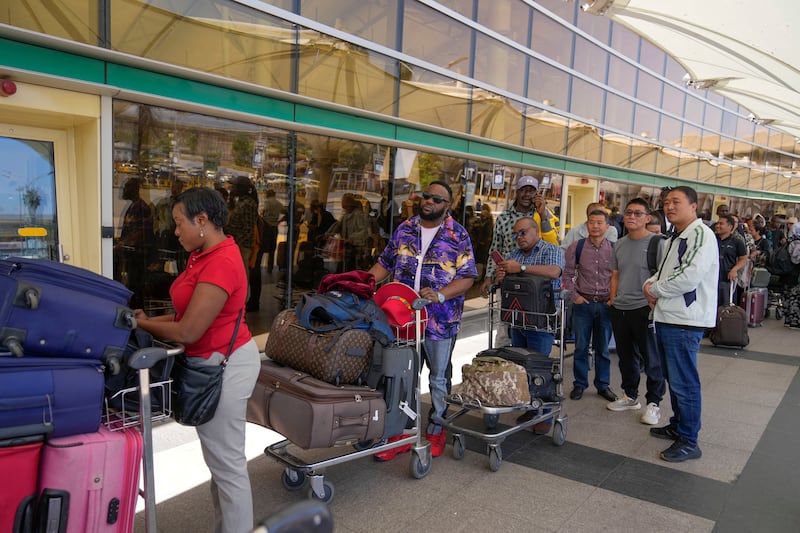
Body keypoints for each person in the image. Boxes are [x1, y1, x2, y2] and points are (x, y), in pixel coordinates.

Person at [133, 186, 260, 533]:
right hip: (214, 361)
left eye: (178, 223)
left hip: (226, 364)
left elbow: (188, 331)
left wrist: (141, 323)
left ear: (201, 220)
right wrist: (142, 320)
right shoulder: (202, 254)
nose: (175, 231)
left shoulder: (221, 261)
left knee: (227, 465)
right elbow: (183, 314)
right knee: (221, 462)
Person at [368, 180, 477, 459]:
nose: (429, 201)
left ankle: (437, 428)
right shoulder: (405, 229)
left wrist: (439, 295)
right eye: (426, 196)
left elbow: (467, 278)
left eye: (437, 199)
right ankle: (402, 432)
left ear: (447, 205)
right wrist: (364, 283)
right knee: (402, 377)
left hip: (440, 321)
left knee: (438, 380)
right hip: (402, 319)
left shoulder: (458, 235)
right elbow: (385, 263)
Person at [644, 185, 718, 462]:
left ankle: (689, 439)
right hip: (668, 317)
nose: (669, 206)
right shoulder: (677, 237)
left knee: (685, 382)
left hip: (684, 321)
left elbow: (689, 277)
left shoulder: (700, 235)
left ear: (693, 206)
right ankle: (678, 425)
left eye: (676, 201)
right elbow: (663, 273)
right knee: (675, 379)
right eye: (666, 202)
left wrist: (654, 290)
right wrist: (649, 285)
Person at [480, 175, 559, 346]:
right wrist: (489, 277)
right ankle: (505, 364)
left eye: (531, 191)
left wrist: (543, 213)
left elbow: (553, 242)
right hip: (508, 280)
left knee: (532, 325)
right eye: (524, 190)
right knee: (505, 325)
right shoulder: (504, 218)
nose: (527, 194)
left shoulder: (542, 215)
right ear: (517, 192)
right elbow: (495, 248)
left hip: (536, 284)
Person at [606, 199, 666, 425]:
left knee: (652, 359)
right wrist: (613, 300)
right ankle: (630, 396)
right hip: (620, 308)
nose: (631, 217)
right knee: (626, 357)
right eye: (628, 212)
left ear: (647, 218)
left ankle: (654, 403)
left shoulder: (657, 243)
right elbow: (615, 274)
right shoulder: (619, 244)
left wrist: (655, 304)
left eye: (638, 213)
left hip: (644, 308)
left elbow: (664, 277)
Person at [562, 209, 618, 403]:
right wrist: (574, 296)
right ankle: (580, 384)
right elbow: (567, 275)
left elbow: (618, 276)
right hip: (583, 304)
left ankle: (603, 385)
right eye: (592, 222)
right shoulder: (576, 247)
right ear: (587, 225)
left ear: (607, 226)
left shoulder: (614, 248)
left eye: (599, 222)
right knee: (581, 347)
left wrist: (613, 298)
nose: (595, 226)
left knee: (603, 348)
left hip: (605, 305)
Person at [493, 217, 565, 354]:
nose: (519, 237)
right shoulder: (514, 255)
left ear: (536, 232)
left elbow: (555, 272)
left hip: (541, 318)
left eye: (523, 232)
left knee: (537, 363)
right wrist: (501, 278)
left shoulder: (551, 250)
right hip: (517, 317)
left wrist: (521, 268)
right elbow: (506, 284)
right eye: (515, 235)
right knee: (519, 363)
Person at [116, 177, 154, 309]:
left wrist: (123, 243)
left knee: (136, 288)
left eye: (126, 187)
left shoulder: (141, 208)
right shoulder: (133, 207)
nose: (123, 190)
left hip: (138, 256)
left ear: (134, 190)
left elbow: (141, 233)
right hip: (131, 255)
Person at [327, 193, 371, 272]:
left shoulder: (358, 215)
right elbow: (338, 226)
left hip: (355, 247)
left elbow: (364, 231)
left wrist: (352, 238)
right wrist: (329, 234)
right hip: (346, 247)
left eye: (346, 206)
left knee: (351, 268)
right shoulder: (346, 215)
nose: (345, 209)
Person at [715, 214, 748, 306]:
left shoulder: (737, 242)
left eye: (721, 224)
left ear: (730, 226)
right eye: (717, 223)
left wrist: (734, 270)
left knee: (725, 307)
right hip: (711, 279)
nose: (718, 226)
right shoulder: (712, 238)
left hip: (726, 280)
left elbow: (743, 259)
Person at [260, 189, 284, 274]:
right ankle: (270, 268)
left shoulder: (267, 202)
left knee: (262, 247)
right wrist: (279, 221)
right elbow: (284, 212)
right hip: (275, 226)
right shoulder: (279, 203)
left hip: (266, 226)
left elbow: (263, 211)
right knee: (272, 249)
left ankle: (259, 265)